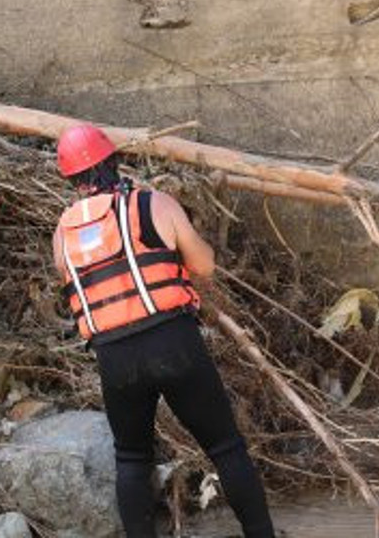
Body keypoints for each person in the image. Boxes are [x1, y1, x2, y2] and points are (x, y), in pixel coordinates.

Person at [52, 123, 275, 537]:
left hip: (115, 358)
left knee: (132, 460)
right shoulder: (152, 204)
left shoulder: (62, 233)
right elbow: (204, 266)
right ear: (112, 161)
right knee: (226, 447)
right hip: (171, 340)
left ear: (71, 178)